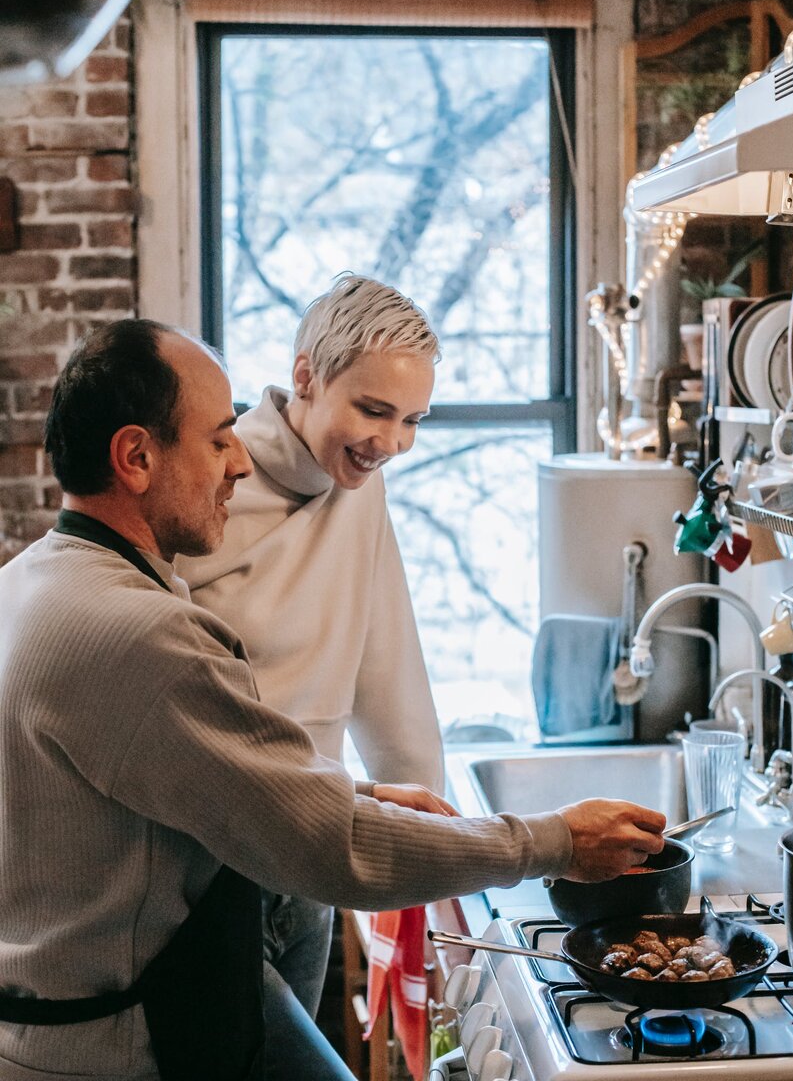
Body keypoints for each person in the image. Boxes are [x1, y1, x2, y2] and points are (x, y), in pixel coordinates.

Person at [0, 318, 666, 1081]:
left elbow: (184, 771)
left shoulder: (31, 581)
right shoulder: (142, 635)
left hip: (65, 1019)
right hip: (122, 1045)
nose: (239, 462)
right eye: (218, 438)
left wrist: (369, 789)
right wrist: (553, 842)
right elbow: (330, 847)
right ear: (137, 457)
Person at [178, 275, 446, 1027]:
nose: (391, 443)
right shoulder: (204, 480)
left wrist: (436, 838)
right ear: (306, 377)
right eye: (372, 410)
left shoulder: (361, 487)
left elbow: (386, 657)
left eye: (412, 420)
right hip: (204, 869)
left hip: (314, 852)